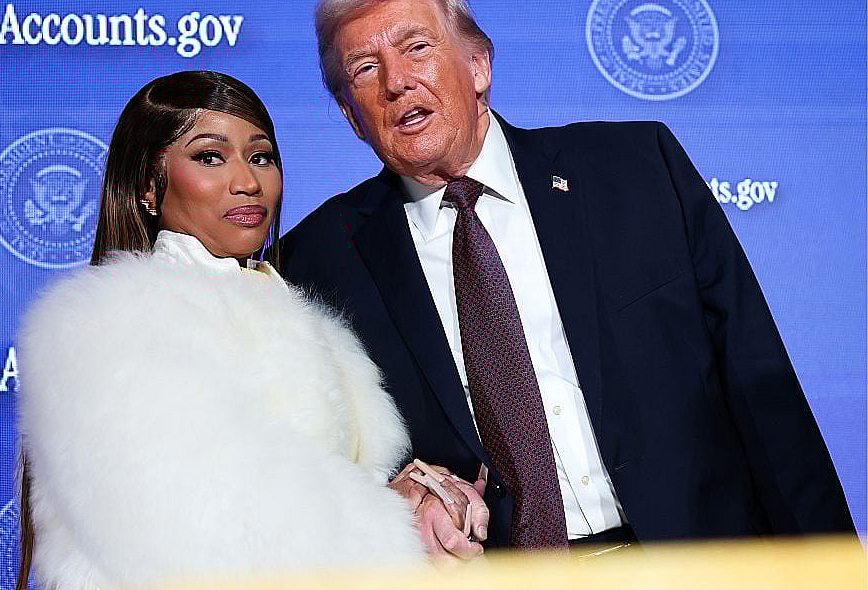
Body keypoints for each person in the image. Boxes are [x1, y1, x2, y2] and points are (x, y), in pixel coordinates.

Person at [281, 0, 855, 557]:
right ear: (350, 115)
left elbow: (766, 401)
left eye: (417, 47)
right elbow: (321, 465)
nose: (397, 81)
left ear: (478, 66)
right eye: (365, 68)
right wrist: (392, 493)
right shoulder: (322, 257)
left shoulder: (635, 169)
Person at [15, 71, 425, 590]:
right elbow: (220, 536)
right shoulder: (108, 328)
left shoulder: (297, 316)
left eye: (261, 157)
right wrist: (401, 522)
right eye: (210, 157)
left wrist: (417, 496)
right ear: (148, 185)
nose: (247, 182)